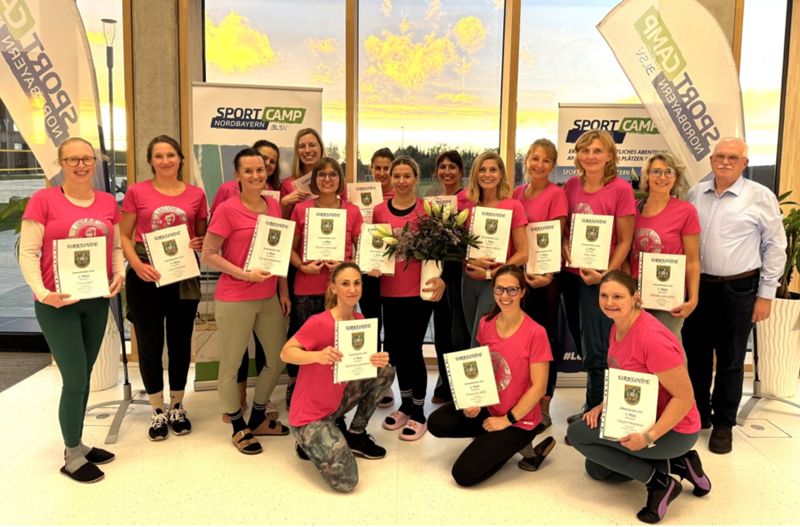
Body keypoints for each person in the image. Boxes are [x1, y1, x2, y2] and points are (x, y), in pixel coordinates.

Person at [567, 270, 711, 524]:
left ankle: (660, 483)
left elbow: (685, 397)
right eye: (604, 295)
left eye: (618, 296)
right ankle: (677, 463)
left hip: (673, 428)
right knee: (597, 470)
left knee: (577, 434)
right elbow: (626, 381)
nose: (609, 302)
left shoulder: (651, 338)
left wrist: (649, 437)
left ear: (635, 297)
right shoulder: (617, 326)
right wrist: (603, 406)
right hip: (639, 415)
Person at [19, 137, 124, 483]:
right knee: (76, 379)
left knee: (85, 372)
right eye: (73, 159)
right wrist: (42, 292)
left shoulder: (108, 201)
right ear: (61, 163)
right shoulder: (43, 200)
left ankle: (77, 443)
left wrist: (119, 273)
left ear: (95, 163)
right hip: (57, 305)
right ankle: (72, 456)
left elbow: (116, 245)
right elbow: (29, 252)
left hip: (95, 301)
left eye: (87, 159)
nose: (81, 165)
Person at [683, 137, 787, 454]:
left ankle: (724, 424)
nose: (724, 162)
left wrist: (766, 295)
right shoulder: (695, 193)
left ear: (744, 162)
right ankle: (699, 414)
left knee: (730, 359)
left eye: (733, 157)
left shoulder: (760, 197)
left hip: (738, 288)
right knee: (696, 354)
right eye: (719, 156)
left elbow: (776, 247)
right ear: (711, 159)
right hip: (699, 287)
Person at [429, 265, 554, 486]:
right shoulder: (486, 323)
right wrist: (472, 400)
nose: (505, 296)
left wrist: (506, 421)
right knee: (437, 423)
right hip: (490, 408)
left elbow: (539, 388)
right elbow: (482, 369)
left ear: (523, 292)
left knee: (463, 475)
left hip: (519, 420)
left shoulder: (536, 333)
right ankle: (493, 441)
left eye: (512, 290)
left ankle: (519, 445)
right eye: (499, 290)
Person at [201, 149, 291, 454]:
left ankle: (258, 415)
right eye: (248, 171)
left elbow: (277, 255)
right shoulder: (227, 209)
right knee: (231, 364)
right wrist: (243, 274)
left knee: (277, 359)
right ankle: (239, 426)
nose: (256, 175)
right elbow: (209, 253)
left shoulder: (274, 206)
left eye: (260, 170)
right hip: (235, 298)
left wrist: (283, 291)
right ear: (237, 175)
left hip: (268, 297)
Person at [120, 135, 207, 440]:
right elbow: (125, 237)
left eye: (171, 155)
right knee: (149, 344)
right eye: (159, 156)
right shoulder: (136, 191)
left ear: (180, 158)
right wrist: (138, 265)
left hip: (182, 275)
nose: (166, 160)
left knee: (181, 342)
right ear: (151, 161)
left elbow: (201, 235)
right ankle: (157, 410)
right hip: (145, 274)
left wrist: (200, 242)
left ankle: (178, 405)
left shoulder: (196, 194)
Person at [280, 262, 394, 492]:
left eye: (356, 283)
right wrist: (317, 356)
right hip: (308, 417)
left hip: (334, 405)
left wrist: (375, 360)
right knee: (347, 481)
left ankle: (355, 434)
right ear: (333, 288)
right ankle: (308, 440)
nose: (352, 289)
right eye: (345, 284)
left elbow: (358, 364)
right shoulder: (319, 322)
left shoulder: (359, 321)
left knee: (385, 371)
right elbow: (285, 353)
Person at [561, 129, 635, 423]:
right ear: (577, 155)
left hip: (601, 280)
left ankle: (595, 409)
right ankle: (597, 402)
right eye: (585, 150)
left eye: (597, 151)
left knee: (596, 345)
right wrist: (565, 245)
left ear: (609, 156)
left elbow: (626, 240)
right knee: (581, 340)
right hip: (572, 275)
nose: (590, 156)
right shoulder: (569, 186)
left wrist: (606, 277)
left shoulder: (621, 189)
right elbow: (565, 230)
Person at [372, 156, 446, 440]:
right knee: (397, 350)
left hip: (418, 291)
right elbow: (374, 246)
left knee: (413, 348)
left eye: (407, 175)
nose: (401, 181)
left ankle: (418, 411)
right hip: (389, 291)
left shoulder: (428, 210)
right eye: (397, 176)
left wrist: (442, 280)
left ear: (416, 178)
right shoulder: (379, 211)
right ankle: (404, 403)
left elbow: (442, 249)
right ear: (390, 179)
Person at [286, 157, 363, 410]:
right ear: (315, 180)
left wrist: (344, 264)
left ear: (340, 180)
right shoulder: (301, 209)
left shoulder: (352, 211)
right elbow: (290, 247)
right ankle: (299, 390)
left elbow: (361, 249)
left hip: (342, 292)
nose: (327, 179)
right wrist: (302, 266)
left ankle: (335, 398)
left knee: (338, 344)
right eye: (322, 175)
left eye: (333, 174)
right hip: (307, 286)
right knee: (308, 344)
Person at [513, 139, 568, 430]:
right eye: (535, 158)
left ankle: (544, 405)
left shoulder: (556, 194)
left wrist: (544, 274)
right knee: (522, 341)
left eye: (546, 161)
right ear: (527, 160)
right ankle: (524, 399)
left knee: (544, 342)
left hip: (546, 279)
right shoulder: (517, 194)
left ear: (553, 165)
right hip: (520, 277)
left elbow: (554, 239)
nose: (539, 165)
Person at [629, 152, 700, 341]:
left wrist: (693, 299)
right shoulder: (633, 209)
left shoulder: (686, 211)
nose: (662, 177)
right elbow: (626, 253)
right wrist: (628, 289)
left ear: (676, 177)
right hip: (635, 292)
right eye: (656, 172)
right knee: (636, 347)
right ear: (647, 176)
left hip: (668, 292)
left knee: (665, 347)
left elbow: (692, 260)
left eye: (668, 172)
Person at [462, 151, 528, 346]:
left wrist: (494, 273)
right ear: (475, 174)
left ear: (501, 175)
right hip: (468, 280)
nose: (487, 174)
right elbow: (458, 247)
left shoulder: (513, 206)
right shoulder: (468, 206)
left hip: (496, 282)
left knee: (481, 341)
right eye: (482, 170)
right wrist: (470, 261)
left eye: (493, 170)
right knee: (471, 336)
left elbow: (523, 254)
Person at [428, 150, 472, 405]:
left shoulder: (468, 199)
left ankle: (460, 388)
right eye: (442, 167)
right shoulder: (434, 201)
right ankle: (445, 383)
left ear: (461, 172)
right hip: (438, 271)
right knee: (442, 331)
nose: (447, 171)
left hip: (458, 274)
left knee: (457, 332)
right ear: (436, 172)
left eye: (452, 167)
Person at [359, 148, 396, 408]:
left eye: (387, 168)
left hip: (393, 275)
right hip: (368, 272)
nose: (382, 173)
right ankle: (369, 380)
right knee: (371, 326)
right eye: (378, 167)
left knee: (391, 331)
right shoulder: (359, 197)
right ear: (371, 168)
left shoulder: (399, 198)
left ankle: (386, 382)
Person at [280, 127, 323, 219]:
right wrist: (285, 203)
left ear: (321, 148)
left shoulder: (334, 180)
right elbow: (284, 222)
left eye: (312, 145)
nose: (307, 150)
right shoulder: (287, 184)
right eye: (302, 146)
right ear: (297, 151)